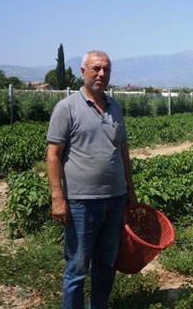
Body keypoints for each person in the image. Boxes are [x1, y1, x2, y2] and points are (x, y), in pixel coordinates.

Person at [47, 50, 137, 308]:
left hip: (115, 199)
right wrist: (57, 198)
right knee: (76, 268)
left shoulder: (115, 106)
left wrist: (130, 191)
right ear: (83, 71)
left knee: (106, 263)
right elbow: (53, 155)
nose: (101, 74)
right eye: (96, 68)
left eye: (106, 69)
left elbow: (123, 151)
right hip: (81, 203)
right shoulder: (66, 108)